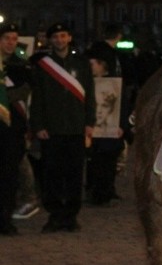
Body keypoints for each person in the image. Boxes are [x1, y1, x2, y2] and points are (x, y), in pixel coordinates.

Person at [29, 23, 95, 233]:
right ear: (50, 40)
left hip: (76, 127)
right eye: (55, 36)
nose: (59, 40)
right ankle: (55, 214)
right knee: (52, 175)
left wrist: (89, 122)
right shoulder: (43, 65)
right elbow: (37, 97)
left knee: (75, 174)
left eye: (63, 35)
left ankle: (71, 216)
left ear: (69, 38)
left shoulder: (81, 64)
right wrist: (38, 125)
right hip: (52, 127)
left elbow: (90, 95)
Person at [1, 23, 39, 227]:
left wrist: (5, 97)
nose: (11, 43)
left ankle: (6, 219)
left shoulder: (21, 64)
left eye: (14, 39)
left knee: (10, 173)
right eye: (7, 38)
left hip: (13, 126)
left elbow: (26, 89)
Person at [84, 55, 125, 206]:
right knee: (93, 160)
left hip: (109, 129)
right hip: (93, 129)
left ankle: (105, 191)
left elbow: (121, 105)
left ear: (102, 65)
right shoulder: (87, 81)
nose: (91, 67)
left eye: (93, 63)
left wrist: (121, 126)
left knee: (107, 161)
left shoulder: (114, 83)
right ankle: (93, 190)